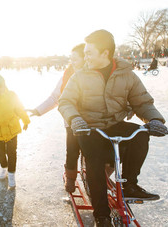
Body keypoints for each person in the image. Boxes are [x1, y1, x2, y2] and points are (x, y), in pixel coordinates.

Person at [58, 29, 168, 226]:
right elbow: (65, 101)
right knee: (95, 160)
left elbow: (142, 102)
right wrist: (75, 118)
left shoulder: (126, 74)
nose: (86, 56)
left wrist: (155, 120)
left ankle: (130, 184)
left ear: (105, 53)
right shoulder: (80, 75)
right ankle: (101, 215)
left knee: (140, 135)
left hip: (114, 124)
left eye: (90, 52)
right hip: (88, 128)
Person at [27, 43, 85, 193]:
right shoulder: (67, 75)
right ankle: (71, 178)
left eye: (76, 59)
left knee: (93, 152)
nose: (72, 62)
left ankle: (96, 177)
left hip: (94, 120)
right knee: (72, 150)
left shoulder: (95, 75)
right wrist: (38, 110)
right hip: (71, 121)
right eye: (71, 58)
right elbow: (55, 97)